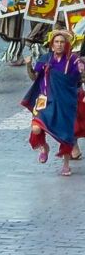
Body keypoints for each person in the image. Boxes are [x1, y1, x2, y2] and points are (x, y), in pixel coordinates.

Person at [23, 29, 84, 176]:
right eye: (56, 42)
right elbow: (34, 77)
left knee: (66, 134)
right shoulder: (45, 59)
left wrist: (82, 71)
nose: (59, 45)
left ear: (67, 44)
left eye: (62, 42)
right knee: (36, 128)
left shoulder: (73, 60)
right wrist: (28, 65)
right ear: (51, 44)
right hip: (46, 100)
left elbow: (79, 80)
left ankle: (66, 164)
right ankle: (44, 146)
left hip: (66, 102)